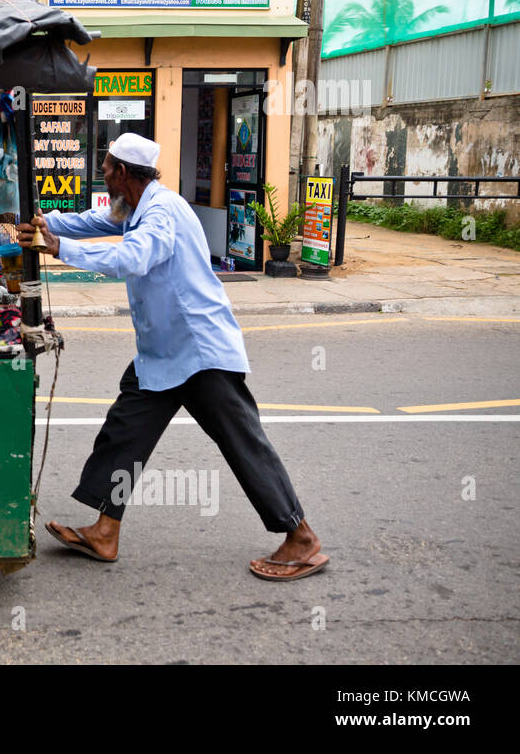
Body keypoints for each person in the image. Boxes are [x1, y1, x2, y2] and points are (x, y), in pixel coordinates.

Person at [16, 132, 327, 581]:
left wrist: (59, 248)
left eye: (105, 169)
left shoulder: (162, 213)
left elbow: (135, 258)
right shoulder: (133, 207)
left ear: (122, 173)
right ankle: (105, 531)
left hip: (199, 353)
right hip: (162, 354)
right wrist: (50, 225)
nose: (102, 177)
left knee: (242, 442)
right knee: (126, 430)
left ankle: (301, 538)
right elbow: (94, 221)